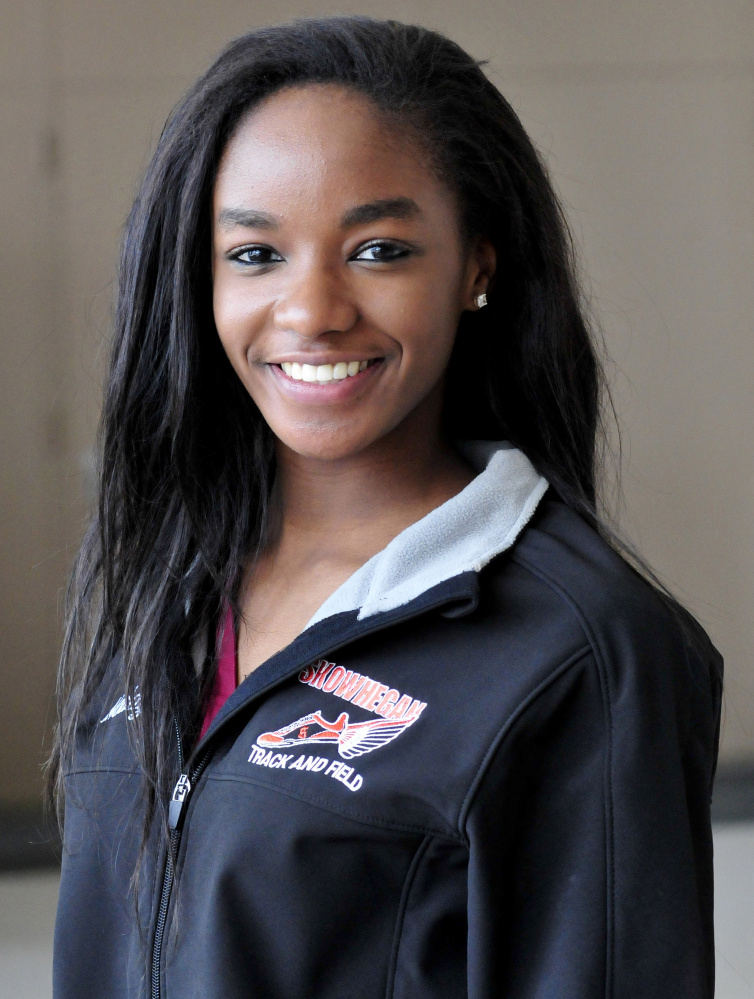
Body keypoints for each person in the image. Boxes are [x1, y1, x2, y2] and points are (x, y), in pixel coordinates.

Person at [49, 16, 722, 999]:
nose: (312, 308)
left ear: (476, 268)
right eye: (254, 255)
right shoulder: (172, 589)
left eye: (377, 250)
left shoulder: (582, 651)